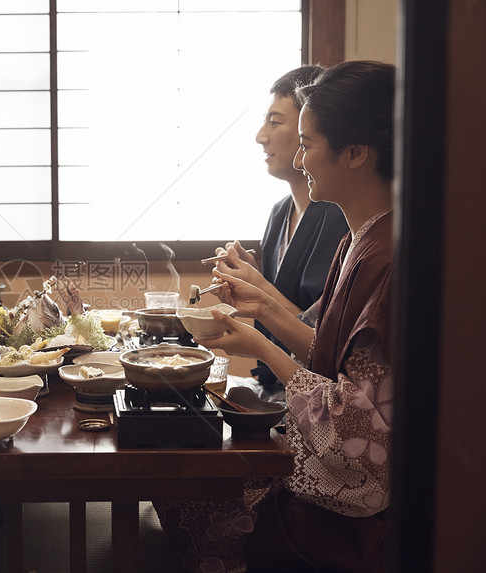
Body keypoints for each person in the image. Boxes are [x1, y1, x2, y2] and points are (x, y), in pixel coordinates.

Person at [158, 60, 396, 572]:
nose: (301, 158)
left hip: (357, 498)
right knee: (181, 472)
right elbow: (329, 351)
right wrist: (258, 310)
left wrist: (261, 344)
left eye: (308, 144)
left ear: (355, 153)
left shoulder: (388, 255)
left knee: (187, 490)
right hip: (326, 447)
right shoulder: (362, 238)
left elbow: (355, 427)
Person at [213, 65, 349, 400]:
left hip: (320, 392)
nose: (261, 136)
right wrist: (254, 280)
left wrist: (259, 288)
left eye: (275, 122)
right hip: (278, 385)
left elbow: (326, 337)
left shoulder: (343, 215)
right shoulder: (279, 212)